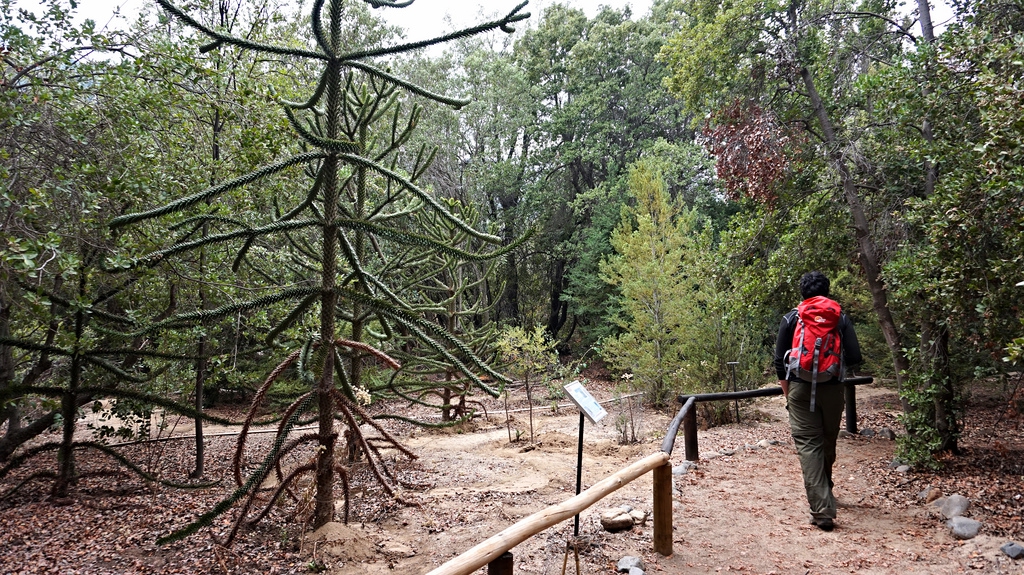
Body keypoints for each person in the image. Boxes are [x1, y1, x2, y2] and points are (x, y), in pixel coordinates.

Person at [774, 271, 862, 531]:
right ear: (827, 290)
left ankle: (822, 509)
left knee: (808, 446)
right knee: (827, 440)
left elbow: (780, 361)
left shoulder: (792, 317)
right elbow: (855, 356)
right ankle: (826, 493)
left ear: (802, 292)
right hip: (833, 388)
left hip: (799, 388)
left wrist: (787, 392)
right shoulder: (839, 317)